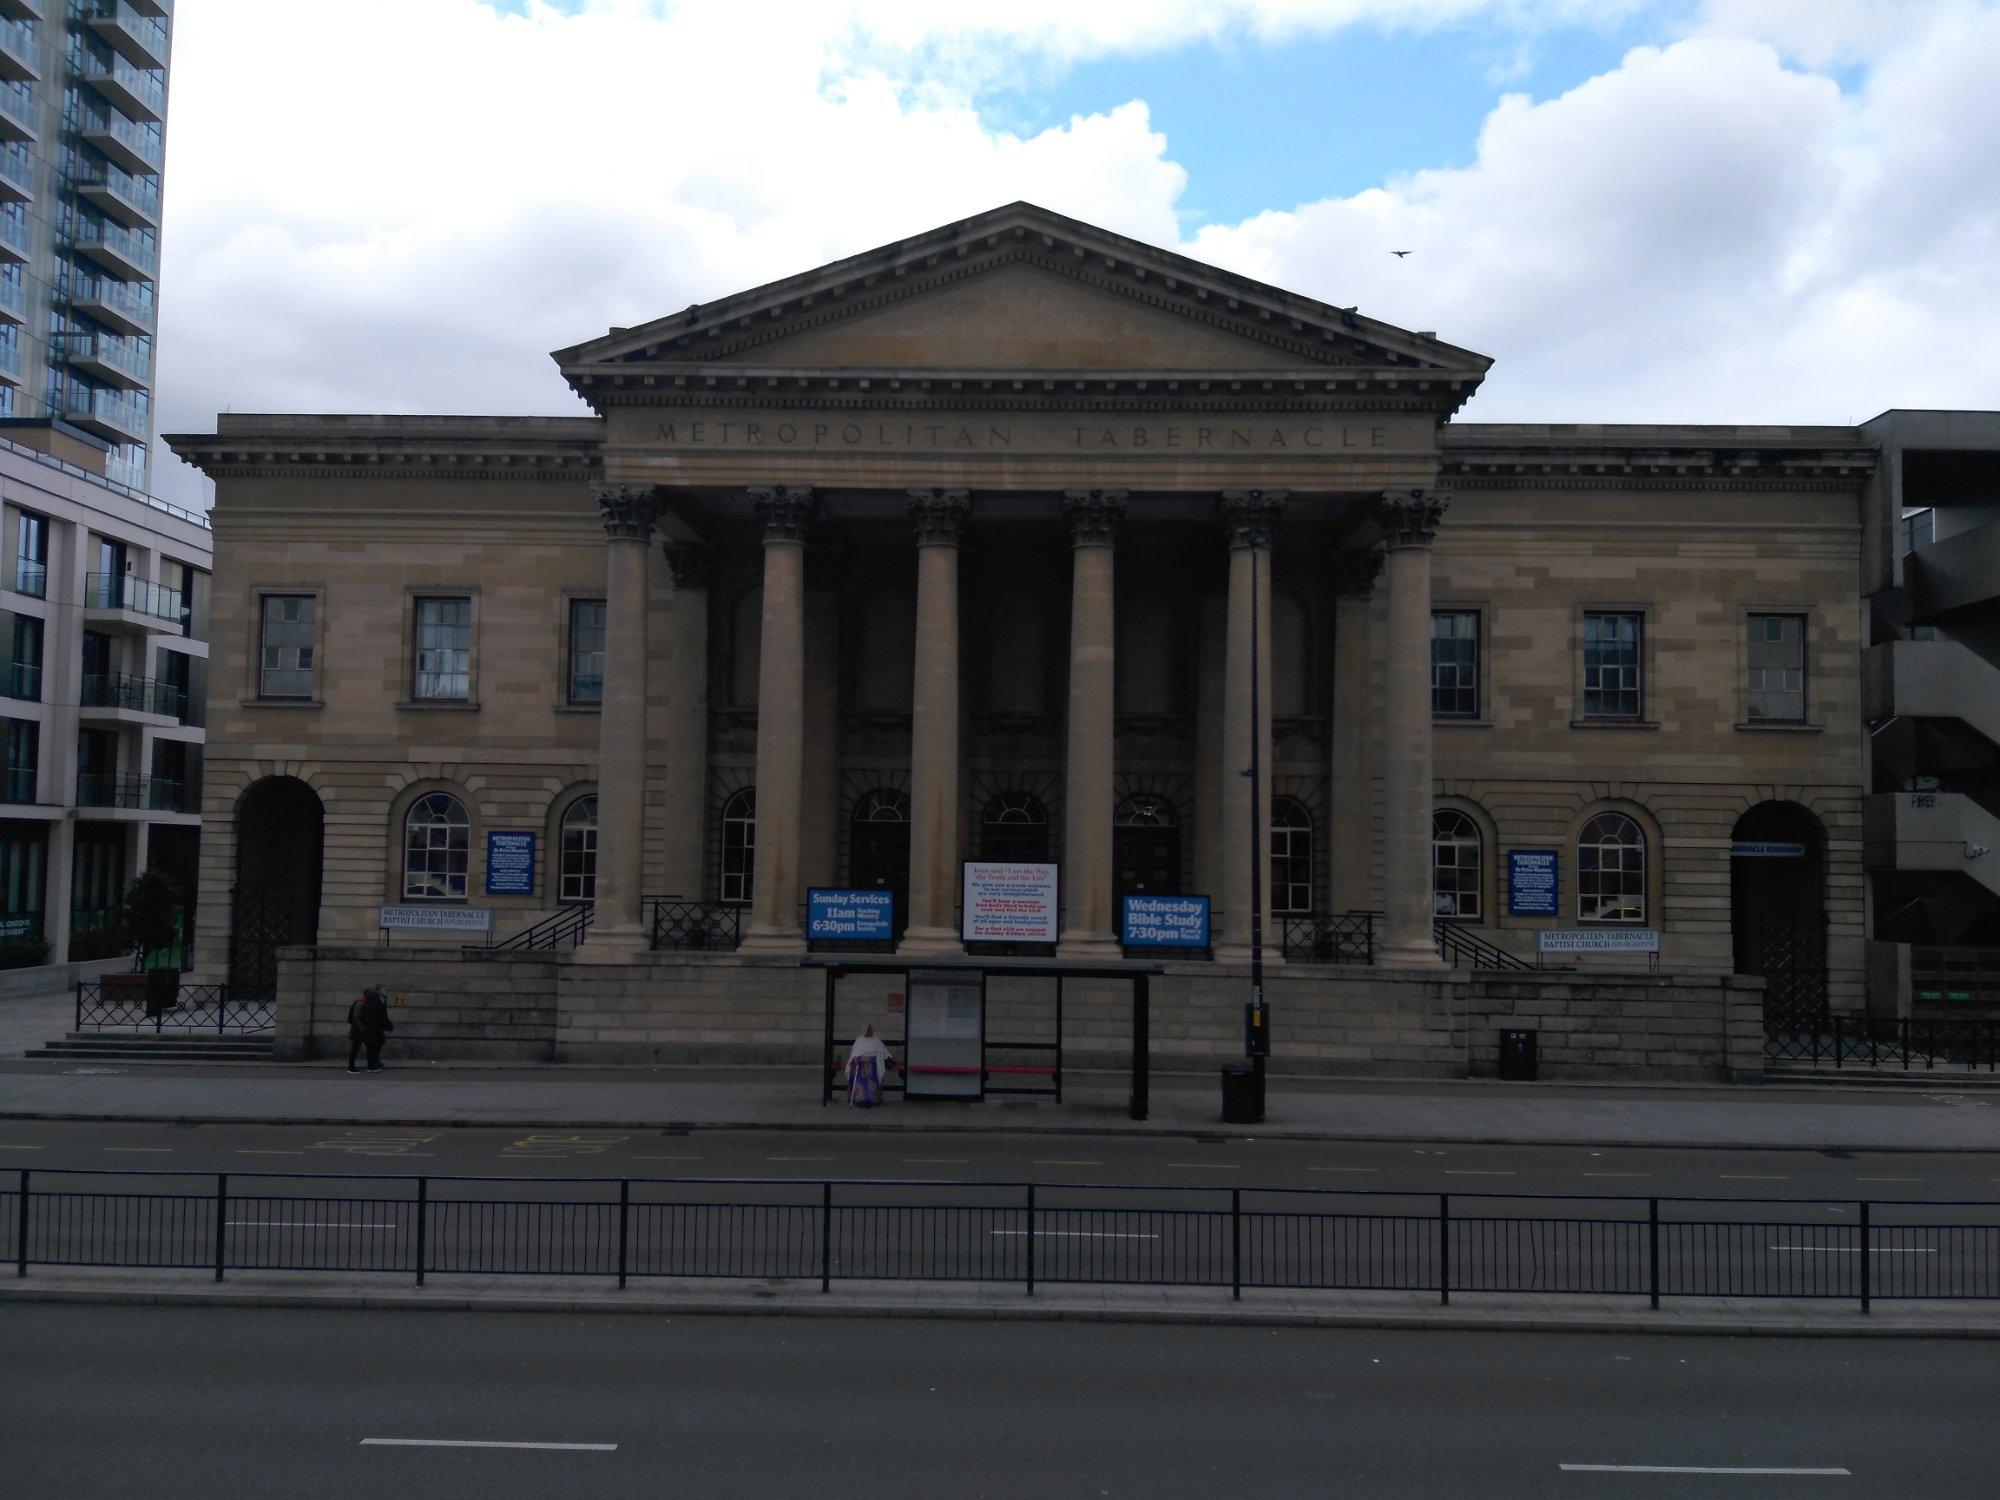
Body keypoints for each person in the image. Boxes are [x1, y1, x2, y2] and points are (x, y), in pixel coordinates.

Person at [843, 1024, 896, 1107]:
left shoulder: (876, 1040)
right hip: (860, 1064)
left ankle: (873, 1099)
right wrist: (857, 1058)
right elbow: (854, 1054)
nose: (871, 1032)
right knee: (860, 1076)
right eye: (869, 1030)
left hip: (873, 1063)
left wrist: (890, 1058)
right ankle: (859, 1099)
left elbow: (883, 1051)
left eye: (871, 1030)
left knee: (872, 1076)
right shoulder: (859, 1041)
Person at [347, 986, 393, 1073]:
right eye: (373, 996)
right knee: (355, 1049)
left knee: (370, 1047)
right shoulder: (360, 1004)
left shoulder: (368, 1003)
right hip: (358, 1031)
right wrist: (363, 1029)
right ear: (369, 996)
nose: (374, 998)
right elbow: (356, 1019)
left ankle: (371, 1066)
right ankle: (351, 1067)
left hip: (366, 1031)